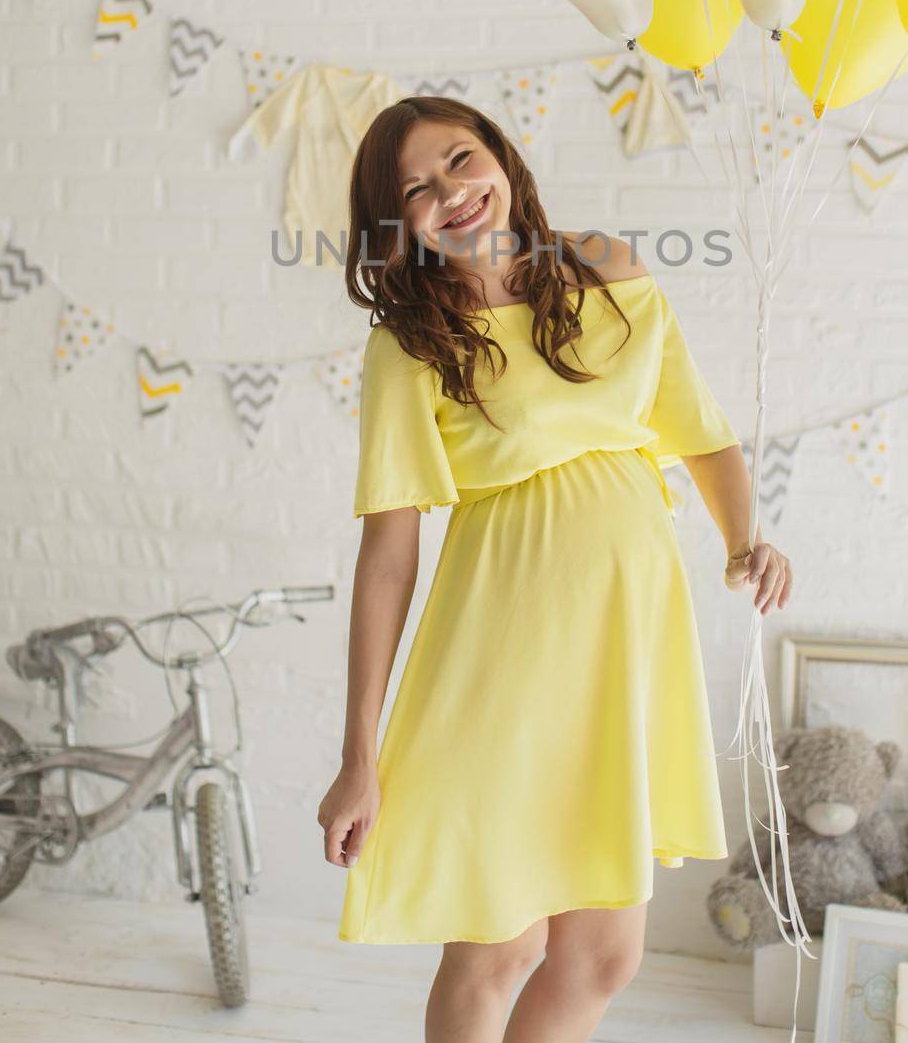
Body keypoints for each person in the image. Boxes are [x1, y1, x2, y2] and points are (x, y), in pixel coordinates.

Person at [317, 95, 792, 1043]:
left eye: (460, 159)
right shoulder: (410, 342)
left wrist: (745, 536)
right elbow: (387, 558)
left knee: (604, 956)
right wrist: (358, 758)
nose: (450, 192)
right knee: (500, 945)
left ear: (502, 155)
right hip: (503, 651)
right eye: (417, 186)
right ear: (393, 220)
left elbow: (698, 436)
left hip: (626, 642)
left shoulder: (607, 269)